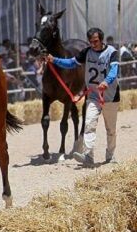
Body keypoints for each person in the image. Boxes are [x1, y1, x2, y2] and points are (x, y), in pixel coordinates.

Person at [47, 27, 120, 166]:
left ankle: (110, 155)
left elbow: (114, 71)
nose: (93, 44)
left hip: (110, 96)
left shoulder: (112, 53)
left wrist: (106, 82)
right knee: (89, 124)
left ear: (101, 39)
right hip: (93, 96)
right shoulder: (87, 52)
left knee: (110, 129)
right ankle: (88, 156)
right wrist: (54, 60)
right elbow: (71, 63)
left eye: (96, 41)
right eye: (91, 42)